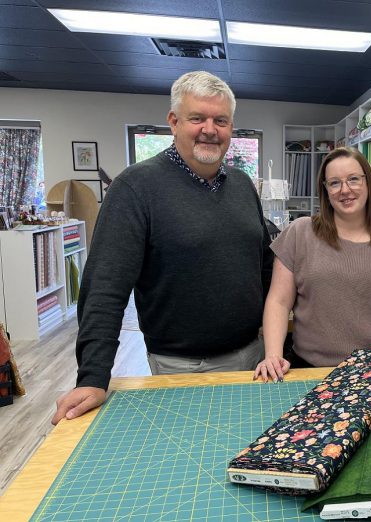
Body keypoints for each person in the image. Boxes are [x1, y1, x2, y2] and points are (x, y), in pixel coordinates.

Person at [52, 71, 273, 424]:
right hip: (183, 367)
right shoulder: (136, 188)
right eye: (197, 118)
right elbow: (105, 287)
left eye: (221, 120)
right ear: (173, 121)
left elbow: (264, 264)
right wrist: (93, 377)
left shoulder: (243, 185)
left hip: (253, 357)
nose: (209, 129)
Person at [254, 148, 371, 382]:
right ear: (325, 189)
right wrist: (273, 355)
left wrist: (369, 361)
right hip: (306, 369)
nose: (345, 190)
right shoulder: (300, 232)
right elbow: (279, 301)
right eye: (334, 183)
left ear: (368, 183)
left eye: (353, 179)